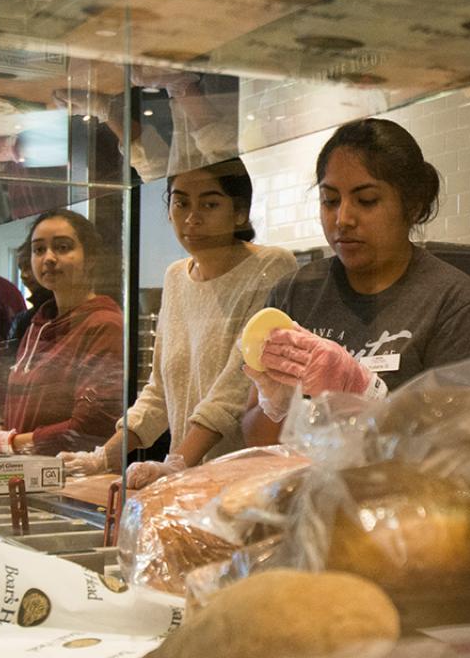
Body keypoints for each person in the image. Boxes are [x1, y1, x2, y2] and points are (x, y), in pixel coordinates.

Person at [243, 118, 470, 446]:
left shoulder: (449, 300)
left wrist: (364, 393)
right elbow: (256, 440)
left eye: (366, 200)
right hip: (310, 492)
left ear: (413, 205)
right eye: (330, 200)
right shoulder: (295, 293)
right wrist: (277, 402)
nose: (343, 219)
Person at [59, 158, 297, 486]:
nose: (192, 218)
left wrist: (176, 465)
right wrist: (105, 456)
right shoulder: (175, 277)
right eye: (181, 202)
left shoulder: (272, 265)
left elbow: (236, 387)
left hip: (248, 482)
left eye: (210, 204)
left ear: (240, 212)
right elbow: (159, 389)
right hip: (189, 482)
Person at [0, 209, 124, 455]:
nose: (48, 258)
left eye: (62, 247)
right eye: (39, 250)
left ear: (91, 257)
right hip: (27, 473)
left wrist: (10, 443)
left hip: (71, 475)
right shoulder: (38, 324)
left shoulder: (104, 323)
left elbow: (93, 425)